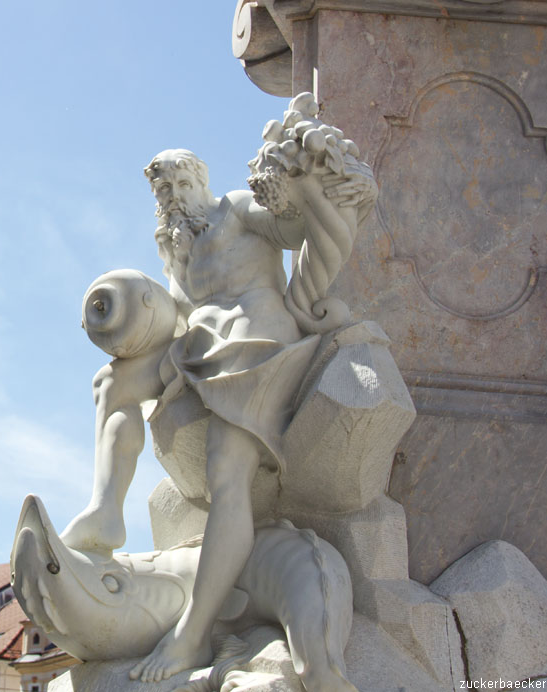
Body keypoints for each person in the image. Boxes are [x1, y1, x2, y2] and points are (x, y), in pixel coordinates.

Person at [60, 146, 373, 682]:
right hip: (197, 348)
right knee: (111, 382)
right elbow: (173, 316)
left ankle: (193, 632)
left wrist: (299, 182)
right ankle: (105, 507)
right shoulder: (178, 250)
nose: (175, 199)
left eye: (183, 186)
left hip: (257, 342)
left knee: (227, 471)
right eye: (165, 193)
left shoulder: (234, 209)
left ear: (201, 183)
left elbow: (295, 231)